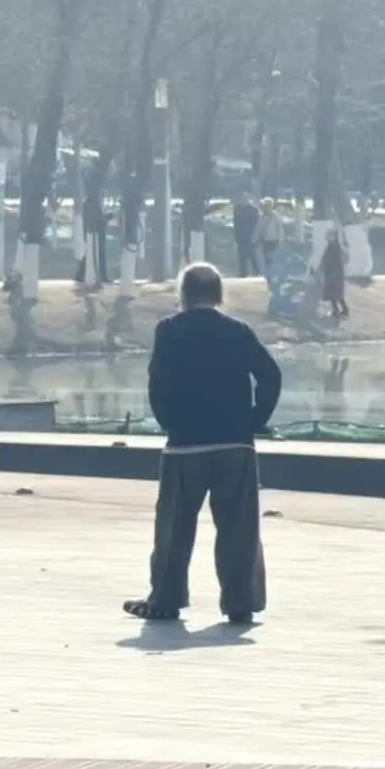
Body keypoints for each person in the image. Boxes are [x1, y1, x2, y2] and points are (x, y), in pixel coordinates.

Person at [124, 262, 282, 626]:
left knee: (174, 528)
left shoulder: (169, 330)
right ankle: (241, 602)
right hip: (235, 445)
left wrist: (170, 422)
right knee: (238, 529)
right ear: (219, 294)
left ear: (183, 294)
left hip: (185, 445)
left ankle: (165, 599)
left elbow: (156, 383)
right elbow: (270, 376)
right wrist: (254, 420)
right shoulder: (238, 330)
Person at [321, 230, 349, 318]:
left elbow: (338, 262)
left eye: (331, 236)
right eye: (328, 236)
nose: (329, 237)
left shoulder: (336, 247)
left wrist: (334, 272)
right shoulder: (330, 246)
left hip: (335, 274)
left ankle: (344, 310)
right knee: (332, 294)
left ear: (334, 236)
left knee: (337, 294)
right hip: (330, 273)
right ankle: (335, 310)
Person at [232, 193, 260, 278]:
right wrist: (236, 234)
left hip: (251, 235)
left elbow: (256, 224)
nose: (244, 199)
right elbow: (236, 223)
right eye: (243, 198)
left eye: (246, 198)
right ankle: (243, 272)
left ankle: (256, 271)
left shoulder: (253, 210)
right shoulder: (237, 209)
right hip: (241, 235)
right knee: (241, 254)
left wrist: (256, 235)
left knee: (252, 254)